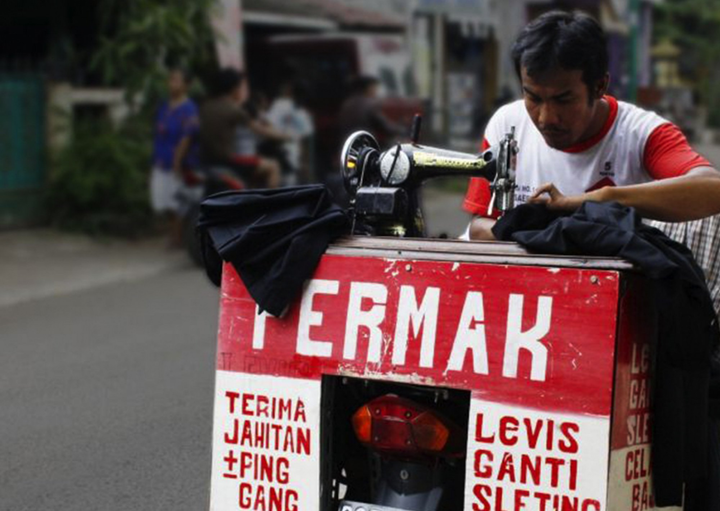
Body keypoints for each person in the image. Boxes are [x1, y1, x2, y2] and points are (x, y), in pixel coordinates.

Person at [462, 10, 720, 510]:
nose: (544, 117)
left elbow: (711, 191)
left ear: (600, 85)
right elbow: (478, 225)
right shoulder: (507, 126)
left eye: (562, 100)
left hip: (614, 337)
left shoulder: (639, 134)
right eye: (532, 96)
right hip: (524, 326)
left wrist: (595, 203)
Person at [198, 68, 288, 189]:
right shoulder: (233, 109)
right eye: (240, 87)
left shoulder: (206, 105)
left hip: (207, 160)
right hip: (228, 161)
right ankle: (270, 205)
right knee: (273, 166)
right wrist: (286, 136)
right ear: (234, 89)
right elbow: (261, 130)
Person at [150, 68, 200, 245]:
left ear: (186, 85)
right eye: (171, 79)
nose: (172, 83)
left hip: (179, 164)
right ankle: (174, 234)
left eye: (177, 80)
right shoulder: (164, 106)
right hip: (161, 161)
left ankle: (178, 238)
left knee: (177, 202)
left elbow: (186, 138)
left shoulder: (189, 109)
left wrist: (177, 162)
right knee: (163, 201)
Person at [337, 76, 405, 141]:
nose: (376, 91)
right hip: (366, 142)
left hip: (349, 141)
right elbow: (385, 127)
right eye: (374, 88)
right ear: (368, 88)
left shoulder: (347, 104)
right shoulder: (370, 104)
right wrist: (403, 130)